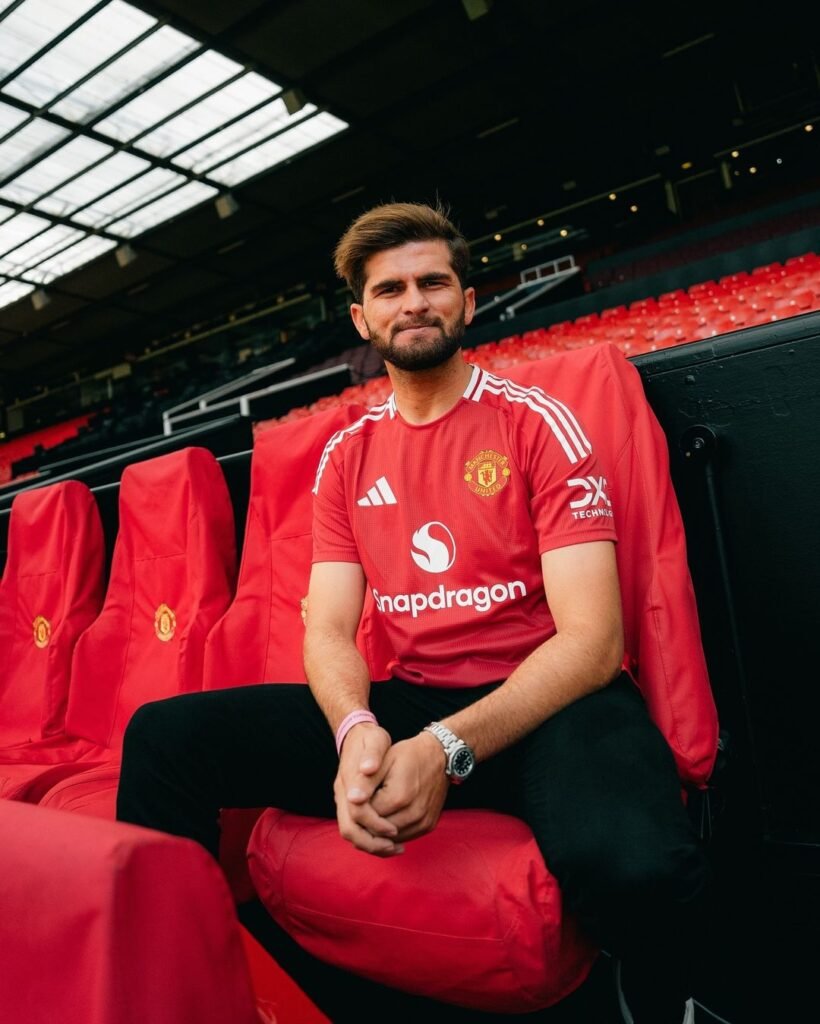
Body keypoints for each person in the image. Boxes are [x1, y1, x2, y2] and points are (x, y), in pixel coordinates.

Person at [117, 201, 711, 1024]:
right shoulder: (347, 454)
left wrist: (447, 749)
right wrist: (356, 729)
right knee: (163, 739)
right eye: (390, 289)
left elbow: (593, 640)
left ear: (467, 301)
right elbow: (326, 628)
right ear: (363, 318)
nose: (415, 301)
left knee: (639, 866)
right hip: (417, 694)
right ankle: (179, 996)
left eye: (434, 282)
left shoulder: (537, 425)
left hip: (552, 701)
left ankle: (655, 1002)